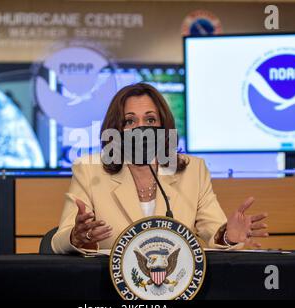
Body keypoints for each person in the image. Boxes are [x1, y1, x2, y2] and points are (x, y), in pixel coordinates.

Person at [51, 83, 268, 254]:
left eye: (150, 119)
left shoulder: (194, 170)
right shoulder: (89, 170)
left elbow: (215, 232)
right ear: (115, 129)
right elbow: (59, 241)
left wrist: (228, 236)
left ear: (164, 127)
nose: (141, 127)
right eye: (129, 121)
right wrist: (78, 237)